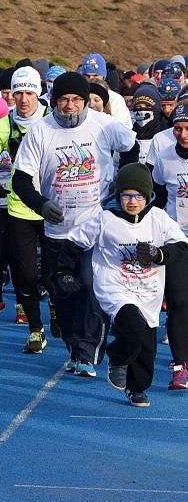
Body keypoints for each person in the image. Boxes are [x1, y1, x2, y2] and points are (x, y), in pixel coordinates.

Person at [12, 71, 137, 376]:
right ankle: (73, 344)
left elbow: (132, 149)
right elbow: (20, 180)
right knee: (63, 292)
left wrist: (117, 194)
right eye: (64, 100)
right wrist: (41, 204)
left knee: (92, 289)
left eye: (76, 100)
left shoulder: (104, 125)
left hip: (97, 225)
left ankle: (86, 352)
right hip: (58, 228)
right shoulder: (40, 131)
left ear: (85, 102)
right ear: (54, 101)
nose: (70, 106)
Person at [55, 164, 188, 406]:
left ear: (147, 196)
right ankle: (116, 359)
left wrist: (159, 254)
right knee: (131, 324)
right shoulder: (105, 219)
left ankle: (136, 388)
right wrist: (63, 272)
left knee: (146, 349)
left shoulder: (158, 218)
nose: (132, 201)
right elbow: (74, 242)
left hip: (149, 291)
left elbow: (181, 246)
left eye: (138, 195)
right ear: (118, 196)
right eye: (126, 195)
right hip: (115, 286)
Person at [0, 66, 55, 346]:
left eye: (29, 93)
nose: (24, 99)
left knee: (52, 275)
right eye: (18, 93)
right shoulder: (5, 125)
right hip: (19, 207)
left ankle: (57, 309)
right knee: (25, 274)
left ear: (38, 94)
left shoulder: (52, 120)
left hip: (52, 206)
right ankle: (36, 330)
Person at [150, 101, 188, 389]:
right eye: (178, 129)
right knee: (177, 301)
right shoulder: (164, 158)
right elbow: (159, 198)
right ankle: (180, 364)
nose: (183, 135)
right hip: (177, 239)